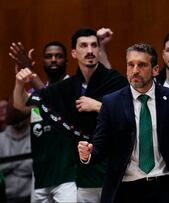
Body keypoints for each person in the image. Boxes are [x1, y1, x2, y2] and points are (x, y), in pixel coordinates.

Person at [78, 43, 169, 203]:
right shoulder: (111, 102)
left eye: (142, 65)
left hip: (166, 187)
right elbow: (100, 148)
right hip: (125, 189)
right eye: (131, 64)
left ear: (155, 70)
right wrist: (87, 155)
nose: (135, 70)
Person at [13, 27, 128, 203]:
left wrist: (98, 106)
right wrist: (19, 83)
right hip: (84, 179)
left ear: (99, 49)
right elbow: (20, 104)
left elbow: (131, 113)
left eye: (93, 45)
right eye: (83, 46)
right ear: (74, 53)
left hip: (115, 173)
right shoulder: (67, 88)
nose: (89, 51)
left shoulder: (115, 80)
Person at [0, 116, 32, 203]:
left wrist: (10, 164)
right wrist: (21, 161)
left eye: (19, 114)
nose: (17, 119)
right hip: (6, 197)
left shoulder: (34, 136)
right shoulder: (1, 139)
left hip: (29, 196)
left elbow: (33, 166)